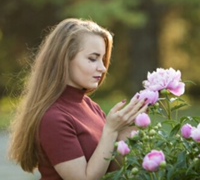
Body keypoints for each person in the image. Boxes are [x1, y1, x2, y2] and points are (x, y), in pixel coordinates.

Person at [8, 18, 148, 180]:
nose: (102, 68)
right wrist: (110, 130)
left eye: (103, 59)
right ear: (64, 59)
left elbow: (107, 168)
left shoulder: (89, 105)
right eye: (92, 58)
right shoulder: (53, 118)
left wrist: (129, 127)